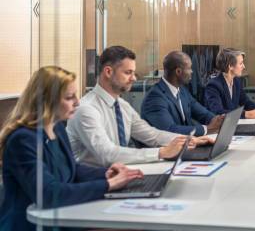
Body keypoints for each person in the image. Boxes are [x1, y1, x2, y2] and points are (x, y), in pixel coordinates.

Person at [0, 66, 147, 231]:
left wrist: (105, 174)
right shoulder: (22, 140)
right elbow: (49, 194)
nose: (77, 103)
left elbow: (71, 169)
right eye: (69, 97)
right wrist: (107, 185)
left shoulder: (56, 128)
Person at [67, 46, 212, 167]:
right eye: (128, 73)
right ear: (108, 72)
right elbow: (107, 154)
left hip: (118, 175)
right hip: (94, 183)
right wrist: (161, 152)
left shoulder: (122, 106)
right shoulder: (86, 109)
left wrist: (189, 140)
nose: (134, 78)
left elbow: (152, 135)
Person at [141, 51, 224, 136]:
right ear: (178, 71)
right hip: (164, 147)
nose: (192, 71)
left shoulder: (182, 90)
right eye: (189, 68)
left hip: (186, 144)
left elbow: (201, 113)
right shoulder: (155, 98)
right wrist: (207, 129)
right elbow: (169, 130)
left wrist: (217, 120)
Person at [205, 48, 255, 119]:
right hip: (219, 128)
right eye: (241, 63)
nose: (243, 67)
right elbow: (218, 112)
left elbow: (246, 102)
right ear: (230, 66)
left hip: (232, 125)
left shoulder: (236, 81)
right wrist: (245, 114)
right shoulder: (213, 86)